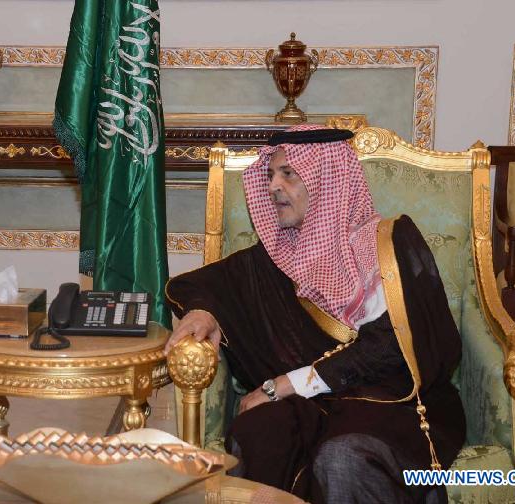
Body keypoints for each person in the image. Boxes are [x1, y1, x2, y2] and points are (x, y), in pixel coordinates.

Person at [164, 124, 465, 503]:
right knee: (260, 432)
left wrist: (283, 385)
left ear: (327, 181)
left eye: (288, 174)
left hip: (390, 402)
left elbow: (391, 347)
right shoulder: (274, 259)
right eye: (271, 174)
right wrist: (203, 312)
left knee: (343, 456)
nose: (273, 187)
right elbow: (209, 285)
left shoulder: (391, 245)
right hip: (310, 408)